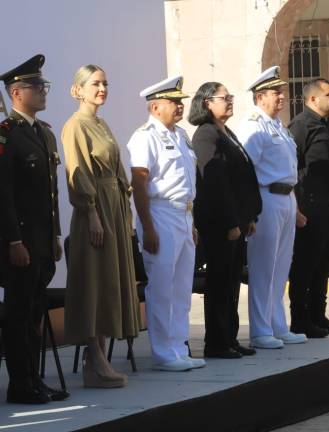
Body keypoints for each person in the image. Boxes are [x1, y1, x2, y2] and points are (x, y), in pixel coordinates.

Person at [0, 54, 69, 403]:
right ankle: (20, 384)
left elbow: (51, 194)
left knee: (35, 314)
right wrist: (15, 240)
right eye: (37, 87)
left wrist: (56, 237)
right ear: (17, 93)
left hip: (42, 244)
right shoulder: (3, 136)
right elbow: (1, 195)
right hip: (19, 244)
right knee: (18, 317)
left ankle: (34, 379)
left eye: (43, 85)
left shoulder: (44, 135)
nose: (44, 91)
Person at [62, 64, 140, 388]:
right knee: (96, 284)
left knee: (110, 283)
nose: (102, 88)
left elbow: (118, 170)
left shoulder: (101, 123)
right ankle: (93, 357)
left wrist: (126, 213)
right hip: (96, 213)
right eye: (95, 83)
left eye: (105, 83)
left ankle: (101, 359)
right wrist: (91, 212)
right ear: (78, 89)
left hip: (114, 208)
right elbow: (78, 172)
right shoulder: (76, 126)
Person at [127, 76, 205, 371]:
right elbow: (139, 182)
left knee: (182, 288)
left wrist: (192, 222)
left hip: (184, 215)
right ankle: (163, 353)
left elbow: (186, 183)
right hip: (160, 214)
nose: (180, 106)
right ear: (155, 106)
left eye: (180, 101)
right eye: (174, 102)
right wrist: (147, 227)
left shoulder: (181, 135)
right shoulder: (145, 136)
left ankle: (178, 347)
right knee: (161, 288)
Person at [234, 66, 307, 350]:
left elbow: (288, 170)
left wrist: (296, 207)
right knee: (264, 268)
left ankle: (278, 324)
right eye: (276, 92)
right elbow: (246, 171)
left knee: (281, 268)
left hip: (285, 198)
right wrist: (250, 210)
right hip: (265, 198)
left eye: (282, 92)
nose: (282, 97)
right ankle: (261, 330)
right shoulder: (254, 125)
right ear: (260, 96)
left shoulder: (278, 126)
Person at [191, 80, 263, 357]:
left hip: (237, 221)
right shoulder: (206, 135)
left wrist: (248, 217)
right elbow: (215, 184)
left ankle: (230, 337)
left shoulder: (226, 132)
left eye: (230, 96)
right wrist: (231, 222)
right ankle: (217, 342)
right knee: (220, 282)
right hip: (220, 224)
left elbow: (241, 179)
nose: (229, 101)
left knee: (232, 282)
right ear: (207, 103)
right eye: (224, 97)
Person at [288, 78, 329, 338]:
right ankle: (301, 319)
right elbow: (292, 165)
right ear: (312, 99)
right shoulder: (301, 125)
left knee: (324, 263)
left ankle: (317, 315)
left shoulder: (327, 126)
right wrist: (298, 205)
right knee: (305, 264)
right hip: (310, 205)